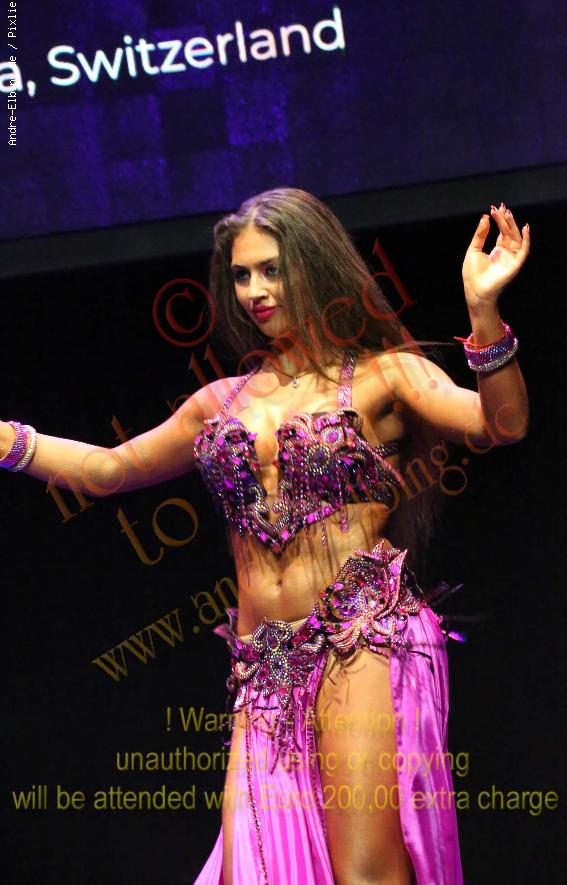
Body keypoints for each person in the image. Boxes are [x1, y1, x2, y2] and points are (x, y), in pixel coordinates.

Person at [1, 188, 530, 884]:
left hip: (360, 641)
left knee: (364, 871)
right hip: (265, 667)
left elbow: (501, 424)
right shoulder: (220, 403)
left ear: (314, 264)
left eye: (272, 270)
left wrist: (484, 314)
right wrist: (11, 442)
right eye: (241, 275)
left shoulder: (385, 375)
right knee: (250, 869)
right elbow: (107, 469)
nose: (254, 290)